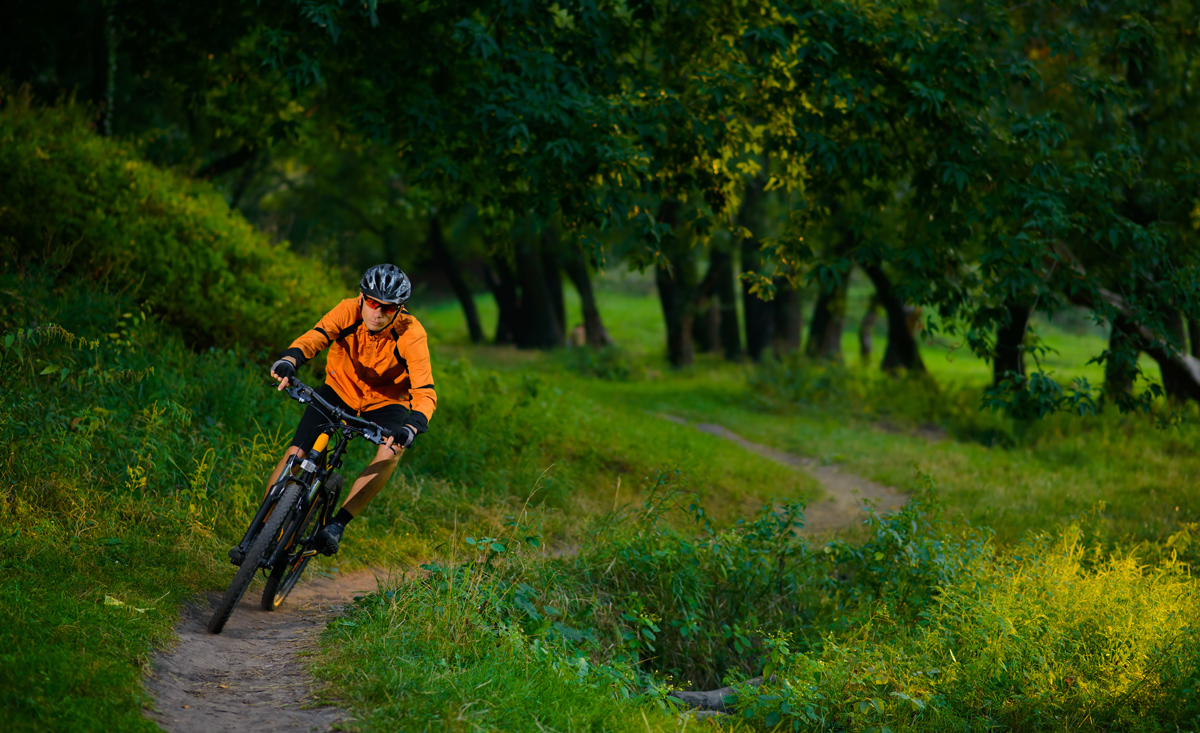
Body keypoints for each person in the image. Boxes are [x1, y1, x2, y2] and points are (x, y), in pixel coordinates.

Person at [228, 264, 436, 563]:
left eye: (387, 308)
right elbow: (316, 336)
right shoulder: (347, 311)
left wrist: (413, 426)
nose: (377, 312)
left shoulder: (411, 333)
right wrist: (290, 359)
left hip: (386, 402)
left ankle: (337, 524)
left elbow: (425, 390)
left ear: (399, 310)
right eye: (372, 302)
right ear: (362, 297)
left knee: (391, 451)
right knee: (296, 456)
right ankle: (259, 533)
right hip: (339, 389)